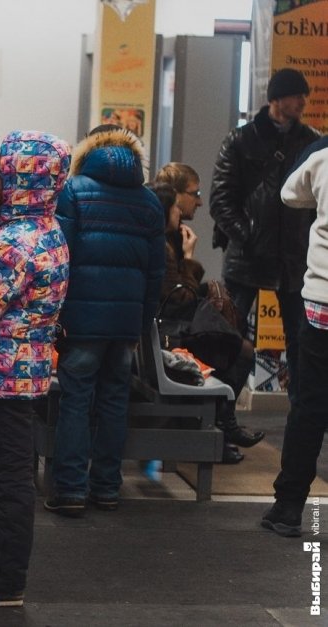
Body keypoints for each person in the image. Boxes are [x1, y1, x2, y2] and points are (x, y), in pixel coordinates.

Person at [0, 131, 71, 609]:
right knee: (6, 474)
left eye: (2, 170)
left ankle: (3, 581)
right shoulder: (46, 227)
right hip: (26, 374)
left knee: (0, 479)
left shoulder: (14, 242)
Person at [44, 125, 165, 518]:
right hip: (125, 322)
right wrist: (141, 322)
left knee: (76, 403)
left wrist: (55, 317)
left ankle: (70, 490)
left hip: (81, 320)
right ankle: (107, 488)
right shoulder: (149, 202)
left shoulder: (73, 191)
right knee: (114, 403)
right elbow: (156, 273)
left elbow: (61, 256)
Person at [209, 68, 318, 406]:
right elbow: (221, 200)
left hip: (295, 257)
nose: (302, 101)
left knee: (302, 344)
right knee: (231, 340)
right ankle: (222, 416)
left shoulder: (311, 141)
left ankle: (304, 417)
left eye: (304, 95)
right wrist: (248, 237)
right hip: (247, 257)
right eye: (295, 95)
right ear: (276, 98)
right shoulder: (240, 140)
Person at [153, 172, 264, 457]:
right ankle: (222, 428)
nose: (196, 203)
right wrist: (189, 259)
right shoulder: (162, 246)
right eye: (182, 202)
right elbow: (178, 298)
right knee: (238, 350)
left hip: (164, 333)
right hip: (168, 336)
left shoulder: (165, 241)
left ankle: (222, 427)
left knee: (232, 344)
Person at [262, 136, 328, 537]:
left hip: (322, 304)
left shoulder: (322, 156)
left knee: (308, 406)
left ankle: (287, 508)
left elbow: (289, 194)